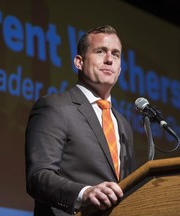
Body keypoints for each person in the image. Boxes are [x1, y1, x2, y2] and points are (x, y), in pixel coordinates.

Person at [25, 25, 136, 216]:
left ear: (120, 69)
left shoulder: (123, 124)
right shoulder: (55, 107)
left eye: (116, 54)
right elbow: (38, 177)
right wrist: (84, 193)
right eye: (100, 51)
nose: (109, 59)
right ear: (79, 62)